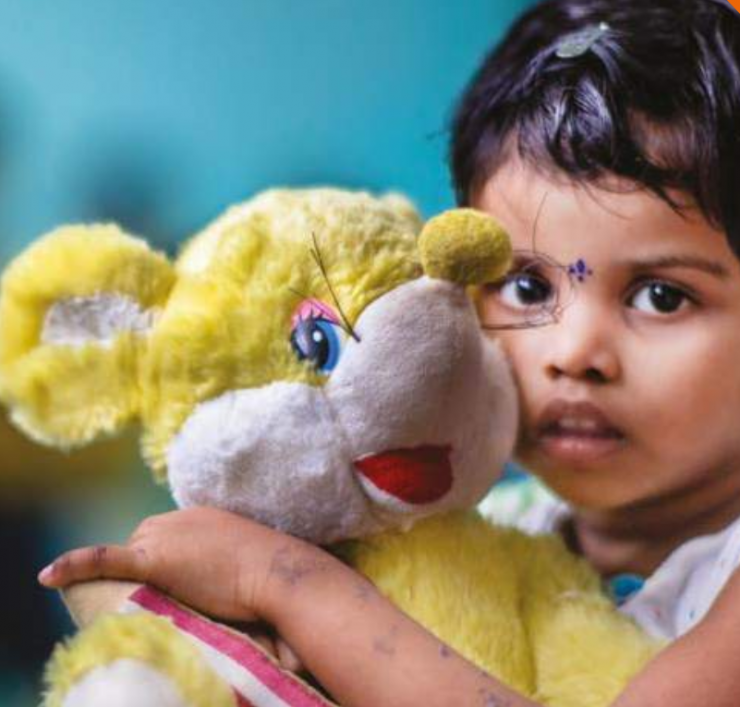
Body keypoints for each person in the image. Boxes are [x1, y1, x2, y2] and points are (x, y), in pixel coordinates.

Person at [38, 0, 740, 704]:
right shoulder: (485, 532)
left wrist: (281, 579)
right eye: (526, 286)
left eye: (662, 296)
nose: (576, 352)